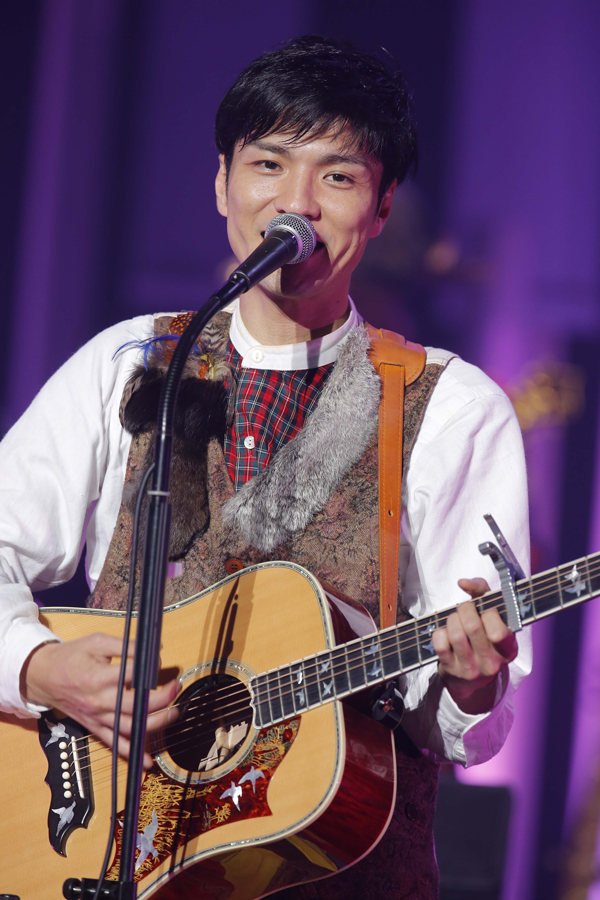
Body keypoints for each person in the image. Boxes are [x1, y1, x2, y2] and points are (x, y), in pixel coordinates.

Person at [0, 35, 531, 898]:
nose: (296, 204)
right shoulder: (131, 363)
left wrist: (473, 688)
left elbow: (470, 728)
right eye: (269, 165)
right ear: (222, 184)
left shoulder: (452, 408)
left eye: (337, 176)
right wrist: (37, 667)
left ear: (382, 207)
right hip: (99, 853)